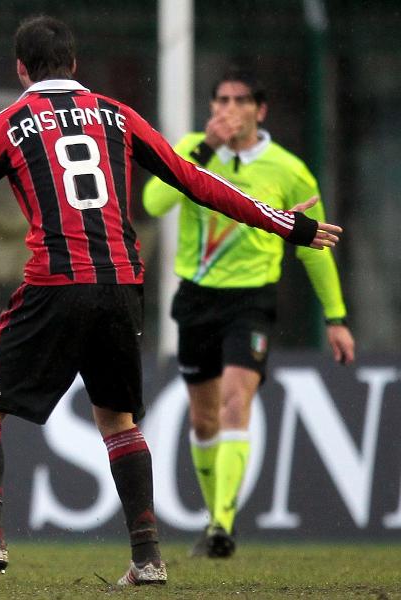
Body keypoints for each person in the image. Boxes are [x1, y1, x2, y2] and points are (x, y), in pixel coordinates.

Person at [0, 18, 341, 586]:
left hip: (57, 283)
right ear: (75, 64)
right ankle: (147, 558)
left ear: (21, 69)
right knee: (117, 420)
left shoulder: (10, 124)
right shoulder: (116, 114)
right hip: (122, 285)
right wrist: (285, 224)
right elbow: (194, 180)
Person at [142, 67, 355, 558]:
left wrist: (336, 317)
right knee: (203, 420)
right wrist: (203, 154)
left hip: (252, 301)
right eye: (220, 100)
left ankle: (221, 523)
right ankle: (214, 516)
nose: (227, 110)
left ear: (259, 111)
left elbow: (313, 246)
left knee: (237, 400)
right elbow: (154, 203)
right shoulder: (193, 148)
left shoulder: (288, 169)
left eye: (239, 101)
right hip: (197, 296)